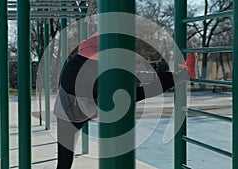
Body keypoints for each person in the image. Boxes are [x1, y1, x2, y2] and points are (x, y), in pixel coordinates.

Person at [53, 33, 196, 169]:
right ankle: (182, 75)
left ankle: (182, 75)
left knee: (64, 161)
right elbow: (130, 77)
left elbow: (129, 76)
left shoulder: (83, 62)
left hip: (73, 109)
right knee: (137, 91)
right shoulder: (89, 66)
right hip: (77, 109)